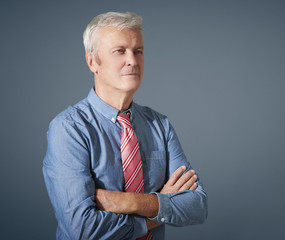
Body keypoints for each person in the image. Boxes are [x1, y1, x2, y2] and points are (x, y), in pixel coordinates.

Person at [42, 11, 207, 240]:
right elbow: (82, 230)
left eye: (138, 51)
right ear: (92, 62)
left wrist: (124, 201)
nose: (133, 60)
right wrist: (159, 206)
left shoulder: (160, 125)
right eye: (120, 51)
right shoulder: (69, 129)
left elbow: (197, 206)